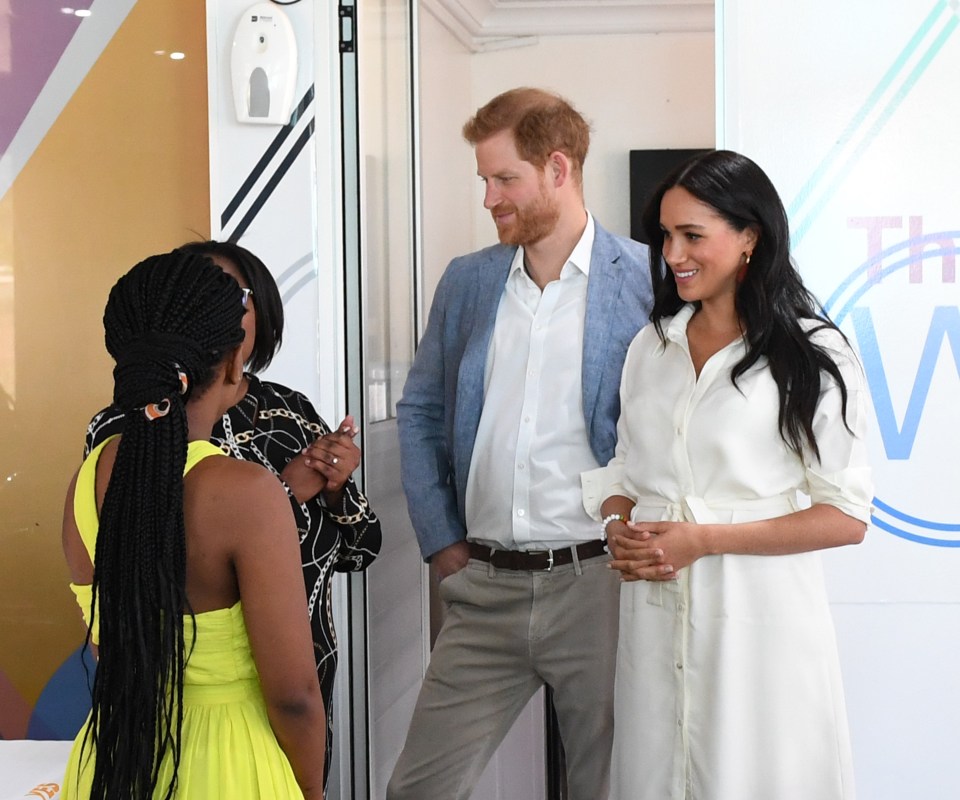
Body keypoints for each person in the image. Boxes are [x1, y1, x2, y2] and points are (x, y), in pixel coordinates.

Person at [388, 87, 653, 800]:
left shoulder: (648, 283)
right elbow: (420, 411)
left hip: (599, 588)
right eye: (484, 180)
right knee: (418, 789)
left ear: (558, 170)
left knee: (610, 787)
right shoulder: (469, 282)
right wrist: (443, 541)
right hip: (483, 587)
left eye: (504, 179)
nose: (489, 198)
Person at [585, 149, 873, 799]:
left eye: (693, 235)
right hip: (655, 619)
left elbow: (847, 516)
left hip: (760, 627)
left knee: (756, 776)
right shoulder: (648, 348)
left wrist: (703, 538)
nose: (673, 253)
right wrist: (616, 524)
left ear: (750, 238)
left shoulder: (814, 354)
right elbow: (624, 469)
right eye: (665, 234)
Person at [84, 240, 381, 787]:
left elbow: (113, 629)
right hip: (240, 751)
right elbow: (291, 696)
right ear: (228, 353)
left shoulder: (93, 472)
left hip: (124, 755)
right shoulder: (237, 488)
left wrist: (335, 490)